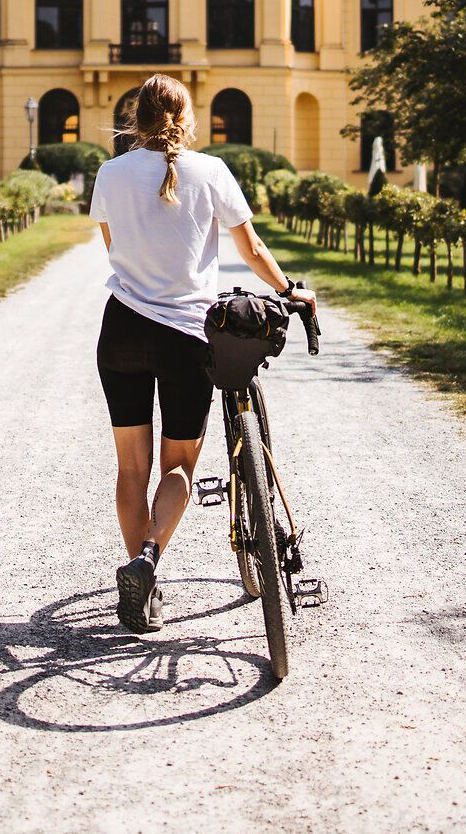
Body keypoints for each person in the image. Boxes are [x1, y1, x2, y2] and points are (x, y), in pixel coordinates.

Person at [89, 74, 315, 634]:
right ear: (187, 119)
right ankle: (147, 560)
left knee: (131, 468)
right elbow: (251, 248)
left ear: (136, 119)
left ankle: (142, 588)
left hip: (122, 331)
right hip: (185, 337)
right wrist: (289, 290)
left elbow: (115, 249)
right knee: (178, 467)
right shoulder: (211, 171)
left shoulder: (111, 173)